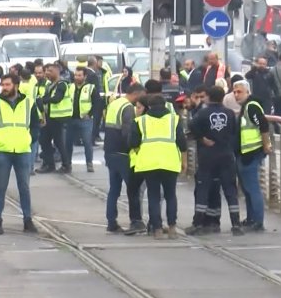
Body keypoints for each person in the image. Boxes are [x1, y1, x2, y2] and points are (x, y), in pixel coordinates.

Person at [186, 86, 244, 236]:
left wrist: (202, 138)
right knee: (230, 190)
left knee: (203, 188)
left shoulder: (203, 113)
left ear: (209, 97)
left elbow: (191, 126)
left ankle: (198, 223)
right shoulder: (230, 113)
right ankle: (236, 224)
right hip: (226, 155)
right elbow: (234, 132)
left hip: (207, 156)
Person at [130, 95, 187, 239]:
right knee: (170, 195)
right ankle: (173, 228)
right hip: (170, 161)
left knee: (153, 196)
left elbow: (133, 143)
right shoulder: (174, 120)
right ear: (166, 105)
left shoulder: (140, 121)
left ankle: (157, 230)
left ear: (148, 106)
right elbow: (182, 143)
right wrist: (184, 162)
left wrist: (142, 151)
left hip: (149, 163)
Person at [0, 73, 38, 233]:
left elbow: (35, 125)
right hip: (2, 150)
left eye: (7, 85)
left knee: (24, 187)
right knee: (0, 187)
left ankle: (27, 220)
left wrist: (30, 139)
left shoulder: (29, 103)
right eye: (2, 85)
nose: (4, 88)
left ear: (16, 86)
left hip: (23, 149)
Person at [104, 83, 145, 233]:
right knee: (132, 188)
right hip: (123, 154)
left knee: (114, 189)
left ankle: (111, 221)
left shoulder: (115, 104)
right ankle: (135, 221)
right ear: (137, 93)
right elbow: (127, 133)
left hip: (110, 152)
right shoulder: (128, 108)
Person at [233, 80, 271, 231]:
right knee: (247, 188)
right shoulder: (246, 107)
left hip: (252, 152)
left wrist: (266, 145)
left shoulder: (251, 106)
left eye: (239, 92)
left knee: (252, 187)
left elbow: (263, 124)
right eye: (234, 92)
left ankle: (257, 221)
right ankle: (251, 218)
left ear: (247, 92)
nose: (236, 95)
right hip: (244, 152)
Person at [36, 63, 72, 173]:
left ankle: (66, 165)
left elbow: (57, 99)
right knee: (44, 140)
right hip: (49, 117)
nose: (47, 73)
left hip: (58, 118)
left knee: (58, 142)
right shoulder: (50, 85)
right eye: (46, 70)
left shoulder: (62, 84)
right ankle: (49, 164)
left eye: (50, 71)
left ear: (57, 71)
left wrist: (43, 100)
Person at [65, 67, 96, 172]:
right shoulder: (70, 87)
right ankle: (67, 164)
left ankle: (89, 164)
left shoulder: (90, 88)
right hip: (71, 119)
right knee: (68, 143)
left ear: (85, 76)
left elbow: (97, 103)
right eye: (75, 75)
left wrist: (90, 114)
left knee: (87, 142)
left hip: (85, 120)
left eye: (79, 75)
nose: (77, 77)